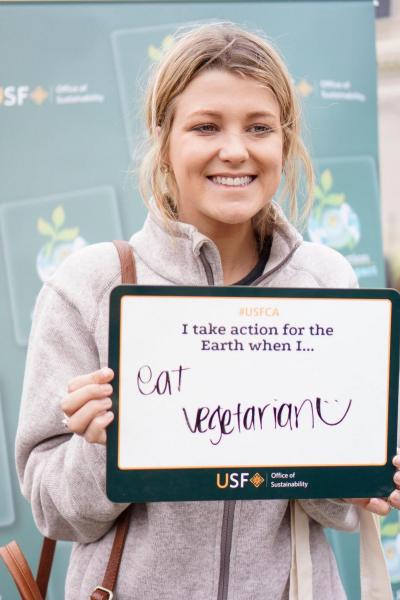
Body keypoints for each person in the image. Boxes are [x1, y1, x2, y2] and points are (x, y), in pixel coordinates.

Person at [15, 21, 400, 600]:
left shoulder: (327, 282)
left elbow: (327, 502)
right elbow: (54, 512)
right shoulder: (88, 287)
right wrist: (99, 452)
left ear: (284, 143)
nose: (235, 150)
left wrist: (358, 476)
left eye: (259, 128)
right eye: (205, 127)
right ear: (164, 140)